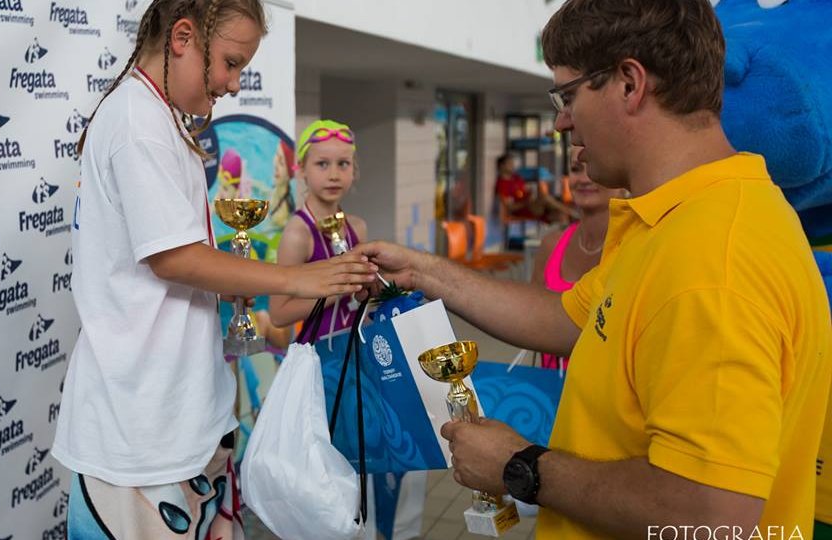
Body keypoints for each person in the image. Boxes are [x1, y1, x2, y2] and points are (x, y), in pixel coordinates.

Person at [354, 0, 831, 537]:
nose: (560, 121)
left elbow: (711, 515)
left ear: (630, 83)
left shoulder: (713, 260)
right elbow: (568, 318)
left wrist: (521, 466)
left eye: (568, 94)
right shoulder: (676, 221)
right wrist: (424, 272)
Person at [50, 2, 375, 538]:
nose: (234, 83)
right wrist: (299, 278)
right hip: (140, 435)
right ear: (181, 38)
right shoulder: (138, 120)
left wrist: (236, 289)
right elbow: (174, 258)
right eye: (230, 62)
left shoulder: (161, 118)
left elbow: (171, 268)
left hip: (178, 422)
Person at [268, 119, 367, 336]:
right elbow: (278, 314)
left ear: (354, 169)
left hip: (356, 346)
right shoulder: (298, 235)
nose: (333, 175)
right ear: (301, 170)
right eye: (322, 164)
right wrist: (339, 289)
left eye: (343, 164)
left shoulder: (357, 228)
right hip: (317, 356)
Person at [530, 152, 626, 371]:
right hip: (551, 392)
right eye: (575, 169)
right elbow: (532, 324)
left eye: (594, 166)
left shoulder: (634, 247)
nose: (583, 178)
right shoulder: (551, 246)